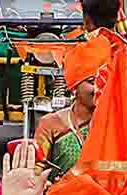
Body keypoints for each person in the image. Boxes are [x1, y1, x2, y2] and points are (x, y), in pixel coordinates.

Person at [34, 35, 108, 178]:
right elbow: (36, 169)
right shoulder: (50, 124)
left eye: (104, 80)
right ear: (74, 87)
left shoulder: (114, 123)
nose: (99, 87)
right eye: (92, 81)